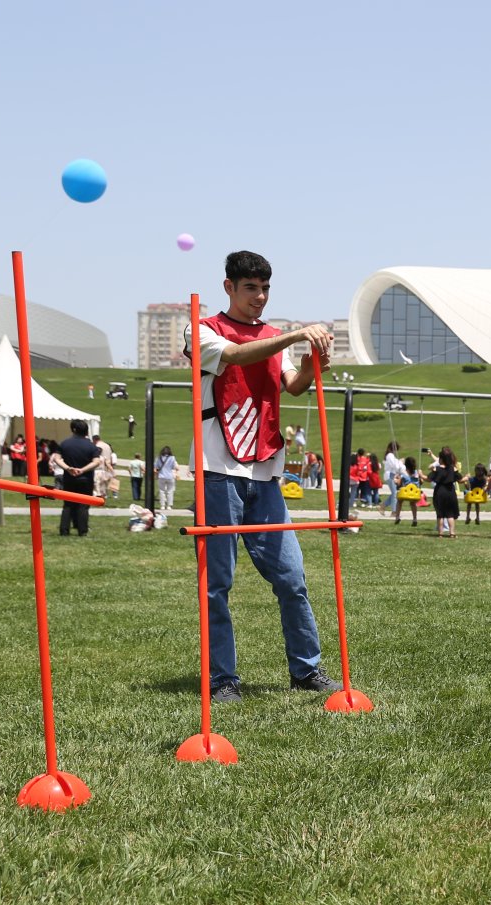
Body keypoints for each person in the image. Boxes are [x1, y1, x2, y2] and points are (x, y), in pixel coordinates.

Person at [186, 249, 341, 703]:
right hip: (218, 474)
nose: (259, 297)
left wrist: (314, 361)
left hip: (265, 473)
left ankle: (307, 671)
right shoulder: (202, 331)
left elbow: (293, 384)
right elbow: (235, 355)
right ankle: (222, 680)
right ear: (229, 287)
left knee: (292, 578)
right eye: (251, 288)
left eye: (265, 288)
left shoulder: (274, 338)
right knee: (217, 585)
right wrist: (294, 335)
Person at [49, 419, 100, 536]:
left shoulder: (65, 443)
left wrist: (68, 468)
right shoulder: (91, 446)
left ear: (73, 429)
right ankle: (82, 530)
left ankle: (64, 529)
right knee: (83, 505)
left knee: (68, 505)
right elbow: (96, 462)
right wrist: (82, 470)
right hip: (85, 479)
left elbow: (56, 459)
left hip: (69, 478)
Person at [429, 447, 460, 537]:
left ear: (441, 459)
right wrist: (466, 477)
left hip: (439, 491)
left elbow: (429, 478)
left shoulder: (437, 469)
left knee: (440, 515)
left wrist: (421, 475)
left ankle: (440, 533)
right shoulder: (453, 469)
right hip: (450, 492)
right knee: (450, 515)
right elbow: (460, 479)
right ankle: (452, 533)